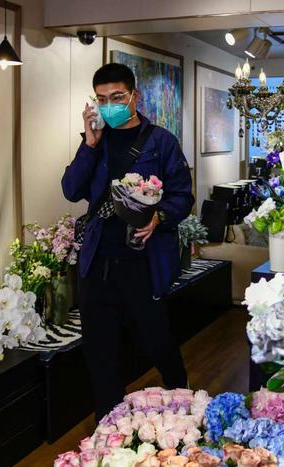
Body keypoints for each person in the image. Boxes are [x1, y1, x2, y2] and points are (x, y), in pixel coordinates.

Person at [61, 63, 192, 421]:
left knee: (158, 342)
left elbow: (183, 196)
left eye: (117, 97)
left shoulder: (161, 141)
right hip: (97, 264)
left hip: (142, 263)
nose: (109, 105)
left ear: (135, 96)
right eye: (101, 99)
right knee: (99, 353)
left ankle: (186, 410)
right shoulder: (95, 142)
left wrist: (158, 216)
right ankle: (109, 429)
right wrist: (89, 145)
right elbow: (71, 190)